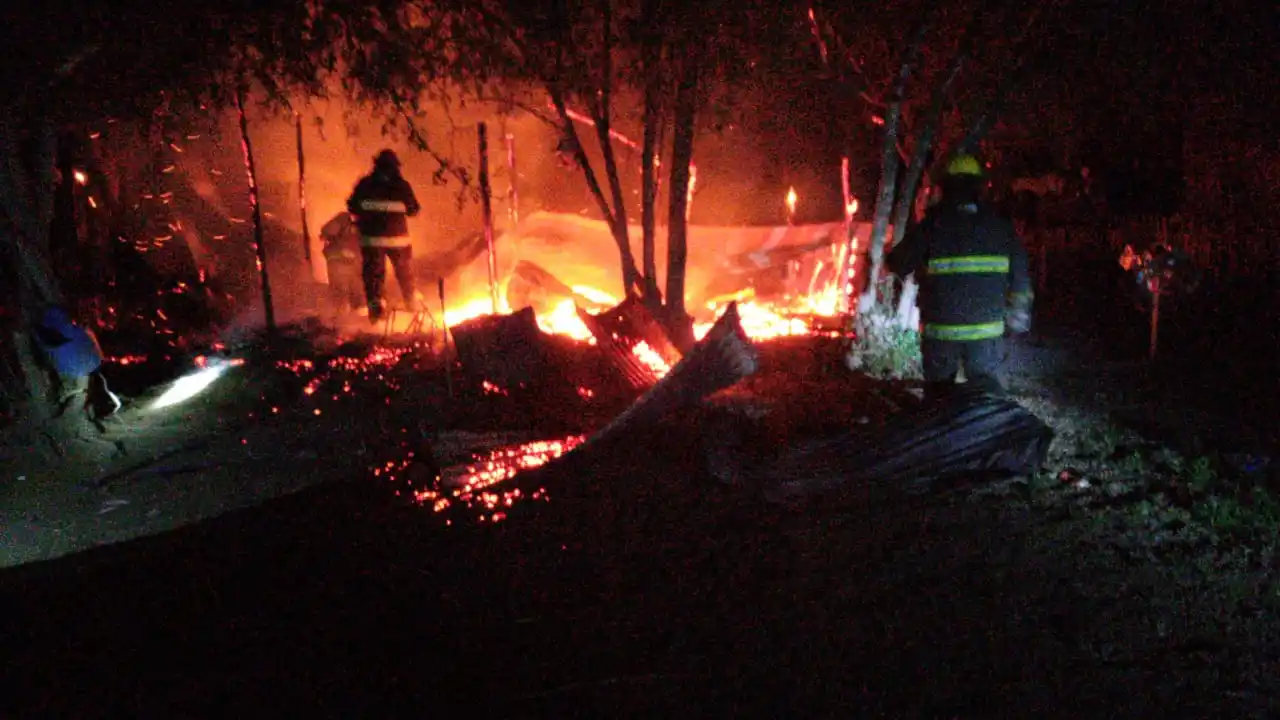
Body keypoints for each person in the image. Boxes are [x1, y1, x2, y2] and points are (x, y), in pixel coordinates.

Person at [887, 153, 1033, 401]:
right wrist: (1018, 312)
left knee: (939, 400)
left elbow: (897, 263)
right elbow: (1020, 273)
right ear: (979, 187)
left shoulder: (932, 225)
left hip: (942, 334)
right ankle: (984, 434)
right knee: (987, 400)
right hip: (987, 334)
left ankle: (943, 433)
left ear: (946, 187)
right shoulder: (1000, 227)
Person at [347, 149, 421, 322]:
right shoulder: (402, 186)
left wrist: (367, 213)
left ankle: (376, 317)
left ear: (376, 165)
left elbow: (352, 206)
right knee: (406, 278)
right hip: (399, 242)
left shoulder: (365, 184)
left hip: (372, 242)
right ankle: (413, 313)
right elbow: (414, 209)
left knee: (373, 281)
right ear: (396, 167)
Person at [318, 210, 365, 317]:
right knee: (340, 293)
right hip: (338, 261)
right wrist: (341, 249)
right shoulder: (343, 218)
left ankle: (353, 320)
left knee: (356, 292)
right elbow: (325, 233)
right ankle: (338, 321)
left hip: (352, 265)